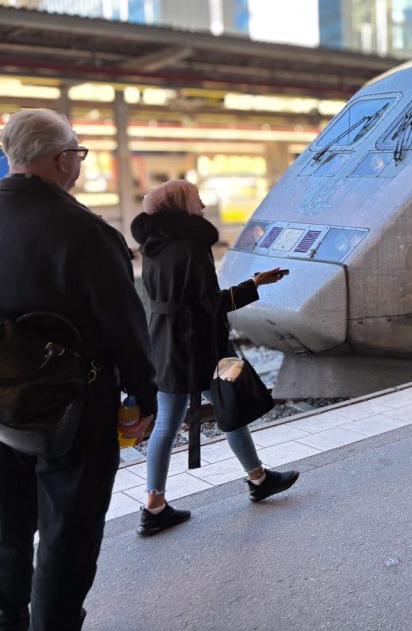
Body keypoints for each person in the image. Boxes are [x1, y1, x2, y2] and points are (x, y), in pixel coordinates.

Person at [0, 109, 157, 631]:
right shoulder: (86, 232)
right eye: (80, 154)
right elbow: (125, 328)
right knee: (68, 535)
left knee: (5, 530)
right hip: (74, 410)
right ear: (64, 159)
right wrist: (144, 399)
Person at [131, 180, 299, 536]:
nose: (203, 204)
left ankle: (155, 505)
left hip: (165, 341)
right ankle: (258, 478)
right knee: (230, 404)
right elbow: (212, 305)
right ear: (179, 206)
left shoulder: (153, 246)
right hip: (201, 344)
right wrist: (255, 284)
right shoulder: (193, 247)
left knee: (167, 423)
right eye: (195, 199)